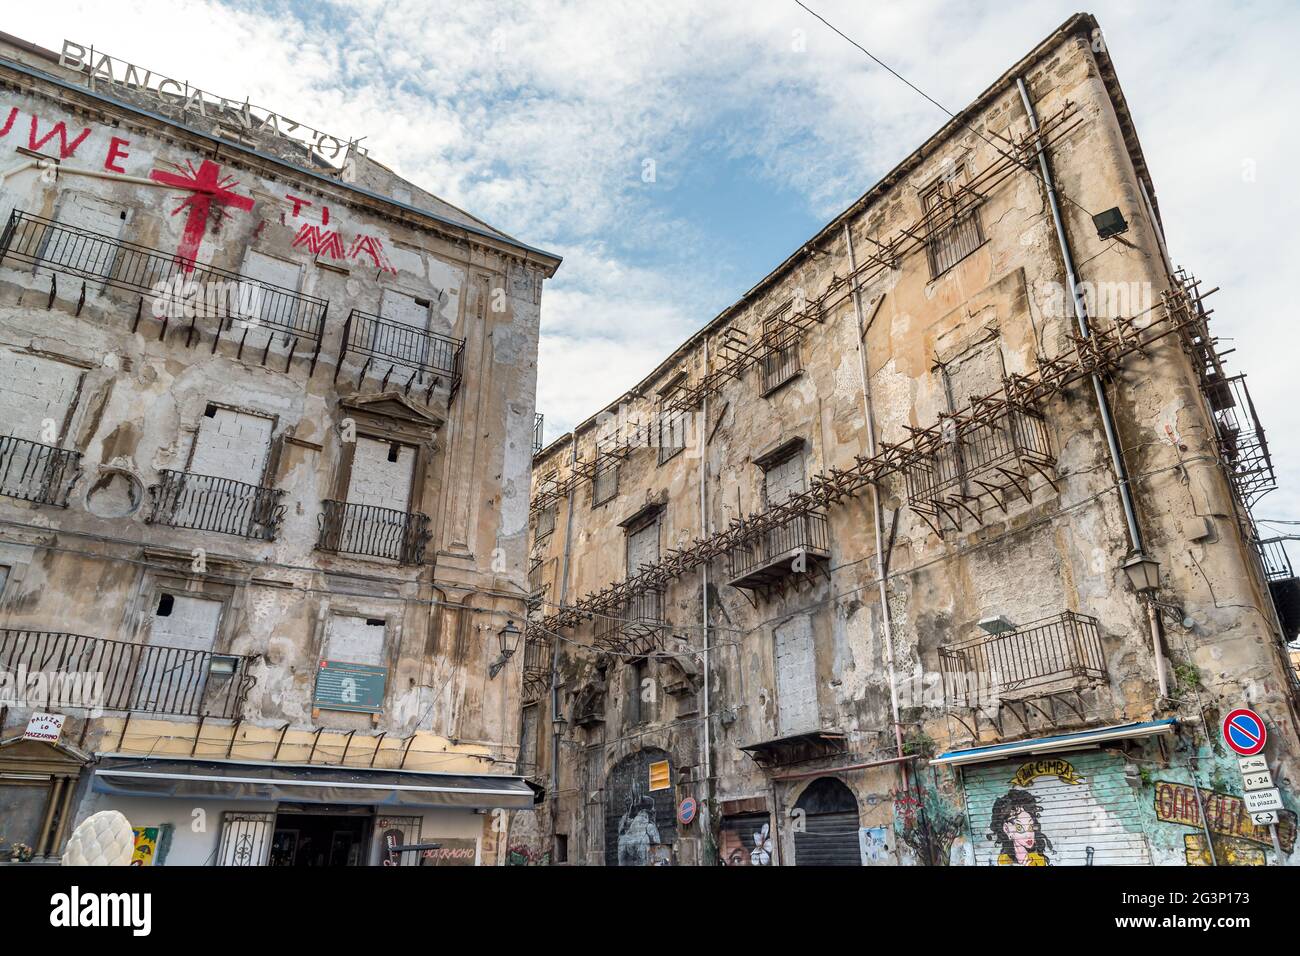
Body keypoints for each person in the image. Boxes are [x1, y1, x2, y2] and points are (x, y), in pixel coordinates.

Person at [987, 789, 1052, 866]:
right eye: (1019, 828)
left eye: (1030, 827)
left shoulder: (1038, 859)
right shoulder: (1003, 860)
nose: (1028, 835)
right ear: (1007, 830)